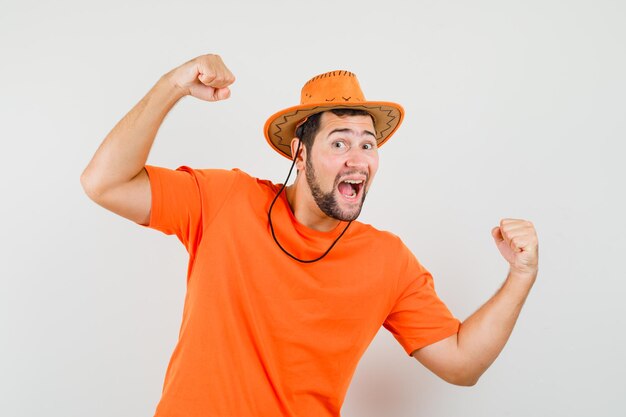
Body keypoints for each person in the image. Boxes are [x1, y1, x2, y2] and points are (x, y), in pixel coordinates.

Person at [80, 54, 539, 417]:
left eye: (367, 144)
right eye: (339, 142)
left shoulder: (388, 261)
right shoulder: (224, 200)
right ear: (300, 152)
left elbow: (462, 364)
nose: (357, 158)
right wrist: (174, 84)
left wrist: (521, 274)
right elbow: (105, 182)